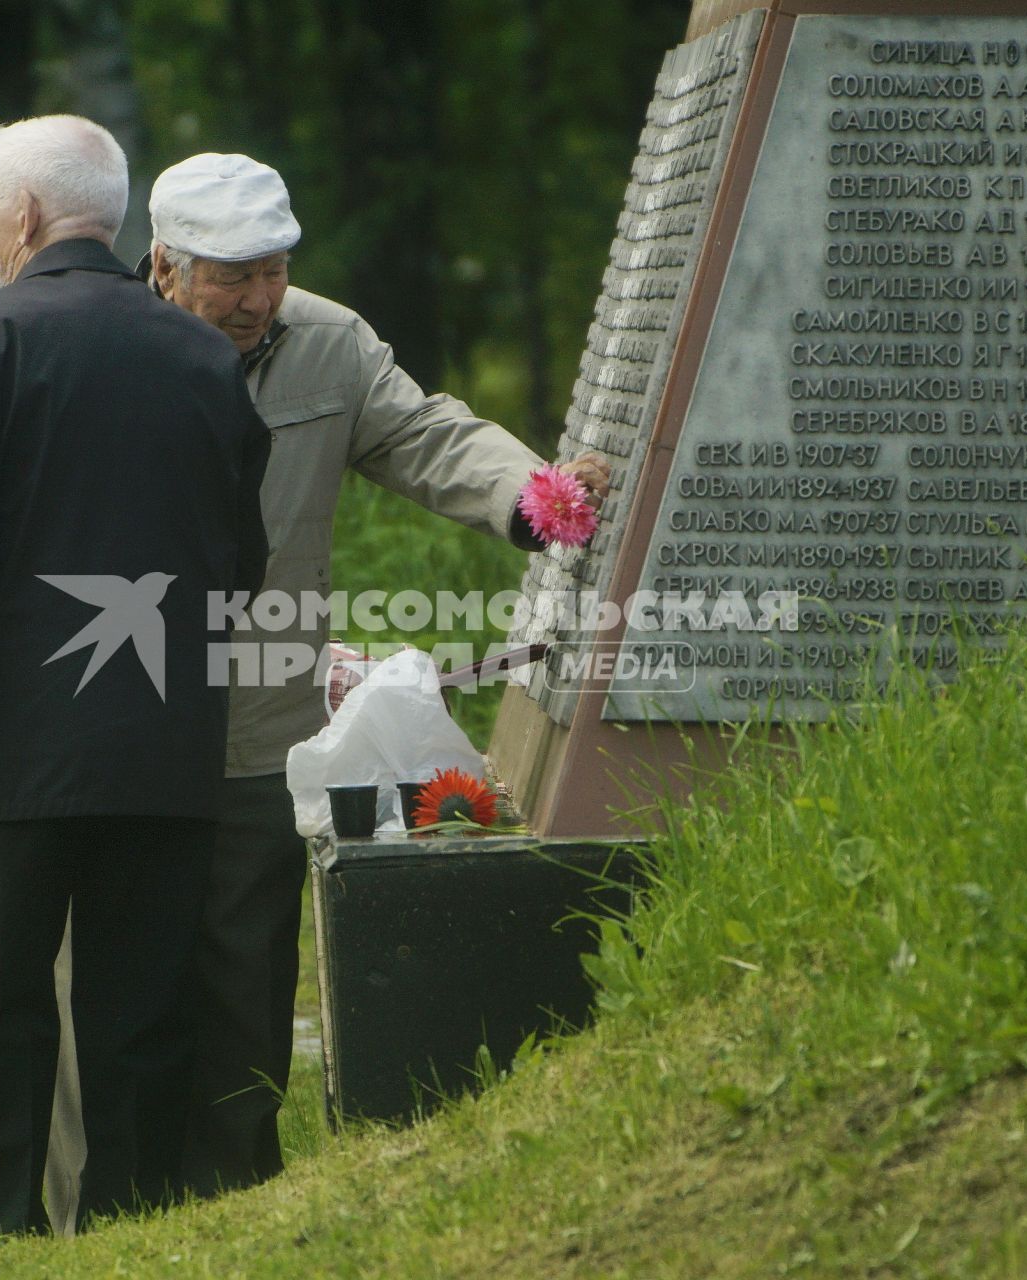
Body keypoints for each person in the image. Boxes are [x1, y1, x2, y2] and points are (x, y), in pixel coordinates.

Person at [45, 153, 609, 1226]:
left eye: (274, 269)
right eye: (232, 276)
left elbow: (427, 431)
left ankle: (233, 1202)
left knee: (245, 975)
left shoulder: (330, 344)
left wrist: (533, 495)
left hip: (259, 716)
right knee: (105, 976)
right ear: (164, 263)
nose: (259, 298)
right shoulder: (95, 341)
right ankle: (96, 1208)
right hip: (115, 712)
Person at [0, 118, 269, 1241]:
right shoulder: (202, 354)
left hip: (17, 744)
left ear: (29, 216)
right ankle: (130, 1216)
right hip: (161, 734)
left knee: (4, 999)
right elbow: (241, 550)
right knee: (140, 1002)